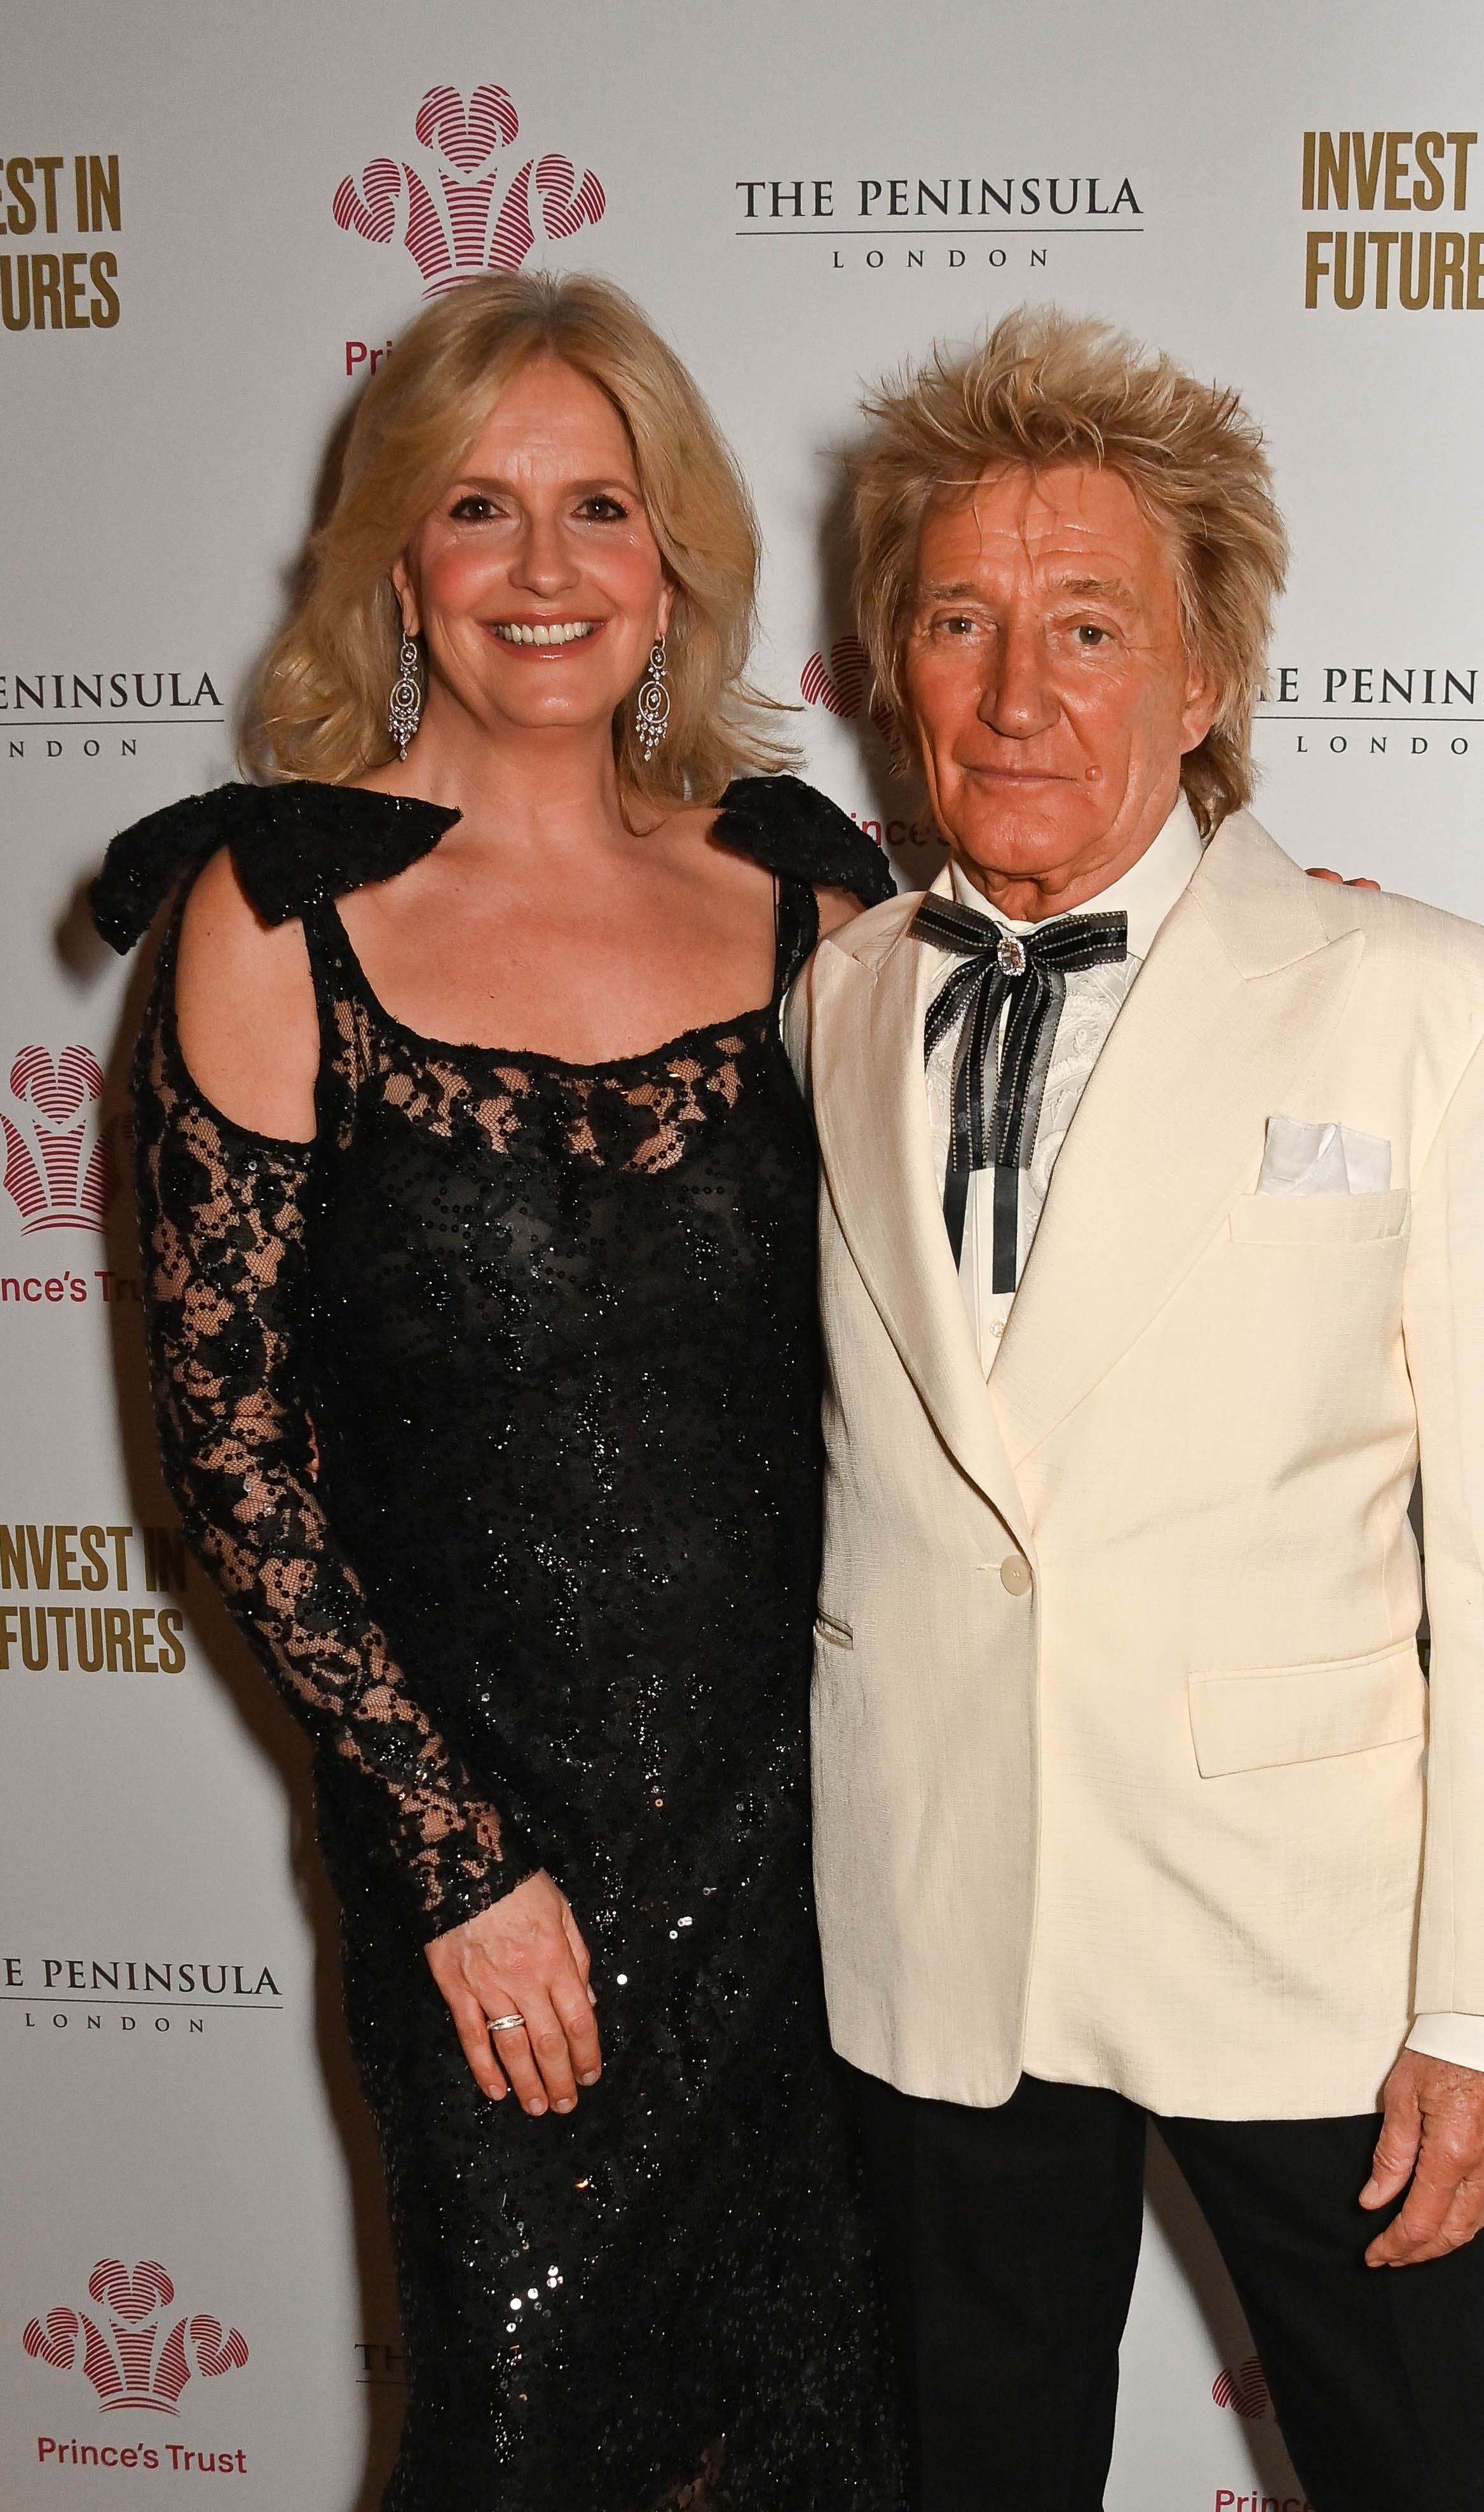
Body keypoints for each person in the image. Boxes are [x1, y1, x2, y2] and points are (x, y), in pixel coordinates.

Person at [90, 272, 905, 2512]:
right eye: (481, 509)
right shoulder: (276, 910)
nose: (545, 572)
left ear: (673, 566)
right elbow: (235, 1451)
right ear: (398, 568)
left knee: (835, 2428)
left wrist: (1272, 969)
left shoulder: (804, 897)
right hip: (487, 1851)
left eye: (599, 509)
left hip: (815, 1839)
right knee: (524, 2429)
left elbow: (986, 1281)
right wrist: (454, 1865)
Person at [791, 308, 1484, 2512]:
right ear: (890, 667)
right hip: (938, 1894)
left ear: (1205, 675)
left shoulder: (1434, 1006)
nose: (1017, 692)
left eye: (1087, 625)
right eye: (957, 622)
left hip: (1304, 1931)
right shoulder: (833, 994)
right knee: (979, 2465)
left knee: (1418, 2460)